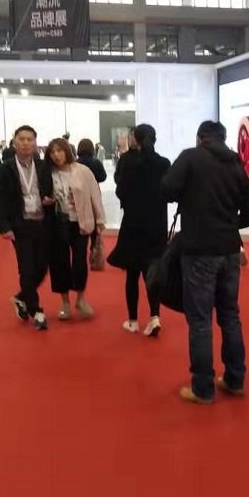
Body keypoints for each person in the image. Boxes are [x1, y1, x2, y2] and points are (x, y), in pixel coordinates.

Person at [161, 120, 249, 404]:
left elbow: (166, 190)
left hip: (199, 251)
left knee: (200, 320)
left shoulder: (190, 157)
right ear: (223, 138)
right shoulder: (235, 163)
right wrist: (228, 224)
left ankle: (203, 387)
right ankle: (235, 379)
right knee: (230, 315)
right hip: (229, 250)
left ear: (199, 137)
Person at [108, 124, 170, 337]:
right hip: (157, 224)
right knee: (152, 272)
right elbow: (169, 191)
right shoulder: (164, 163)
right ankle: (155, 316)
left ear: (136, 139)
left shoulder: (128, 162)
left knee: (132, 273)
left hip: (133, 223)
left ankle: (133, 320)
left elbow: (120, 191)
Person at [0, 125, 53, 331]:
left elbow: (50, 188)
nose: (26, 143)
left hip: (41, 221)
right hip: (20, 224)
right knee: (26, 267)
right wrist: (3, 225)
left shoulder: (43, 166)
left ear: (35, 143)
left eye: (30, 139)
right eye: (22, 139)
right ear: (14, 142)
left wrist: (49, 199)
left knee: (42, 267)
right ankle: (36, 310)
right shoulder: (6, 168)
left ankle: (21, 297)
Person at [46, 137, 106, 321]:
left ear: (67, 151)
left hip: (80, 222)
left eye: (59, 150)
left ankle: (80, 298)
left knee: (80, 261)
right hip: (57, 223)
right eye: (52, 152)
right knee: (60, 262)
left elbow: (95, 195)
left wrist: (100, 219)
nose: (56, 155)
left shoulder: (82, 171)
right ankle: (64, 302)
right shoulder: (47, 173)